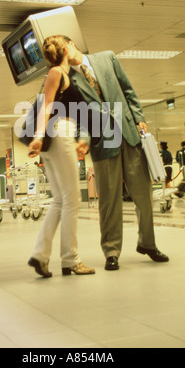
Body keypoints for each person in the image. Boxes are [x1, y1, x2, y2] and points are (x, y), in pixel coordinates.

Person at [63, 37, 169, 270]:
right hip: (102, 141)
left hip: (129, 132)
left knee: (143, 194)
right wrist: (83, 139)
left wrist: (139, 116)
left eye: (64, 47)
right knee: (109, 201)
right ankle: (111, 251)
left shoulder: (107, 58)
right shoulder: (68, 80)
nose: (64, 53)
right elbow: (79, 114)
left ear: (73, 43)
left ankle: (148, 244)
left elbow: (127, 89)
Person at [27, 35, 95, 278]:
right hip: (59, 133)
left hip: (57, 136)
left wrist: (80, 139)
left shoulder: (63, 74)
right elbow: (46, 105)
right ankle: (71, 260)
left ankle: (40, 255)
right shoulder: (56, 73)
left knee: (59, 200)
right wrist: (37, 136)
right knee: (73, 199)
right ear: (66, 49)